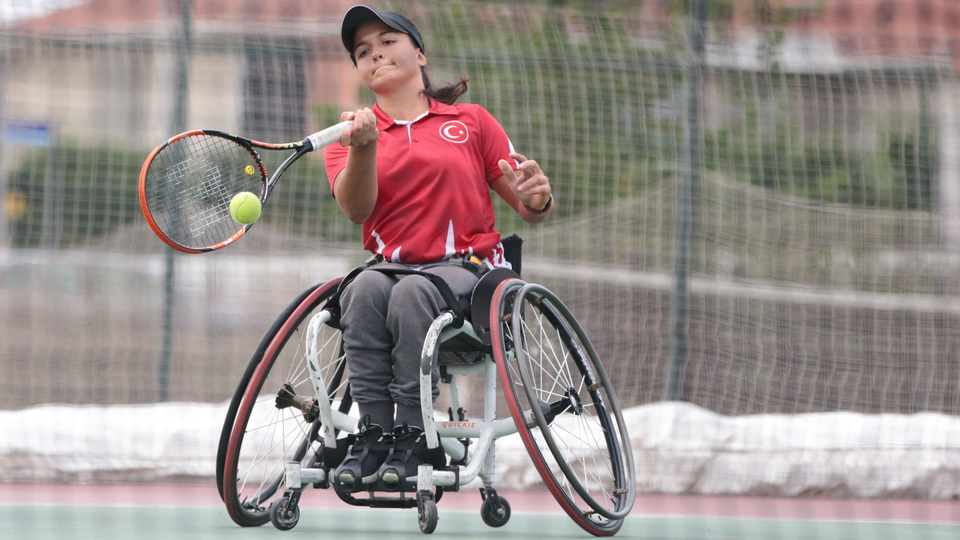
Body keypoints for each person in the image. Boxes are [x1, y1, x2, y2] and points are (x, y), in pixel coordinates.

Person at [323, 4, 554, 490]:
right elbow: (356, 210)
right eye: (363, 51)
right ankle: (374, 432)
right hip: (389, 269)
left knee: (412, 294)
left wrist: (539, 195)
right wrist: (364, 146)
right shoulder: (348, 138)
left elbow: (529, 205)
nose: (376, 54)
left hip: (468, 272)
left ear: (420, 54)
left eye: (388, 42)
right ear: (360, 72)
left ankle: (414, 430)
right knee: (360, 291)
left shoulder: (470, 122)